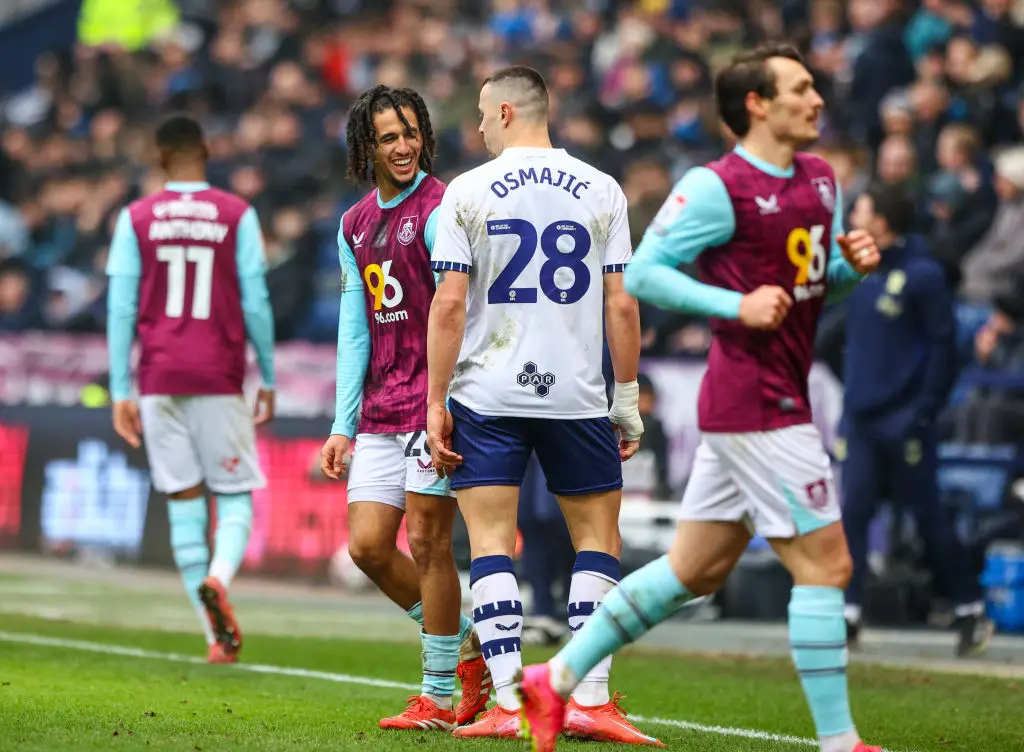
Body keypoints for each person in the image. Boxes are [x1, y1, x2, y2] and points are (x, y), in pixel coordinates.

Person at [517, 44, 885, 752]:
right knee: (826, 565)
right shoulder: (718, 186)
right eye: (801, 89)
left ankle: (555, 679)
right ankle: (841, 743)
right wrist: (733, 304)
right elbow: (647, 274)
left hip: (775, 395)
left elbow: (808, 293)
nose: (817, 100)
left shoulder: (820, 179)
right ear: (757, 103)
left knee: (695, 569)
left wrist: (846, 269)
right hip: (755, 400)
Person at [426, 66, 661, 746]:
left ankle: (505, 702)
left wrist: (435, 401)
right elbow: (622, 300)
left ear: (504, 111)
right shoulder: (601, 188)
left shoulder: (466, 192)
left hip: (488, 391)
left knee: (493, 544)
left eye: (478, 113)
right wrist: (625, 397)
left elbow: (448, 303)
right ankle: (587, 697)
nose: (474, 126)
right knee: (597, 541)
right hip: (576, 391)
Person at [317, 85, 489, 732]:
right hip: (382, 409)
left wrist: (443, 401)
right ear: (366, 146)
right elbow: (355, 327)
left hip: (434, 404)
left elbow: (462, 307)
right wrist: (342, 423)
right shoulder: (353, 224)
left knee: (427, 542)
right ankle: (468, 643)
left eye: (410, 133)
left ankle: (440, 694)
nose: (402, 146)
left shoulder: (444, 209)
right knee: (366, 549)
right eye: (388, 136)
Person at [106, 114, 276, 664]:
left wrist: (119, 389)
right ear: (207, 149)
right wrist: (267, 375)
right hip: (216, 373)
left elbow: (121, 308)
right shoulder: (237, 214)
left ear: (158, 158)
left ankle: (212, 634)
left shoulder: (135, 217)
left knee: (183, 500)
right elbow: (255, 301)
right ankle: (219, 580)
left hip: (157, 378)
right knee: (233, 497)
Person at [840, 183, 991, 656]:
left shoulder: (924, 275)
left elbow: (945, 350)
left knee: (928, 519)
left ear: (881, 221)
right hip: (862, 421)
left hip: (905, 421)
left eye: (860, 210)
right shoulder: (858, 275)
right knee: (853, 517)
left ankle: (969, 609)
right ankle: (848, 614)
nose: (853, 218)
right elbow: (830, 341)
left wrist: (923, 409)